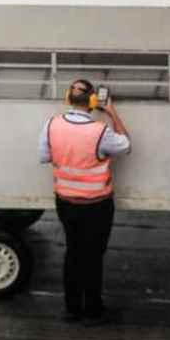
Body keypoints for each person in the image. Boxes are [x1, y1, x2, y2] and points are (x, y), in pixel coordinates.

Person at [39, 79, 131, 325]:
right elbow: (126, 145)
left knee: (73, 252)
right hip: (96, 205)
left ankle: (71, 309)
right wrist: (111, 112)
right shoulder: (100, 131)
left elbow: (44, 155)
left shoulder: (52, 125)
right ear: (92, 101)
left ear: (68, 98)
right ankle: (92, 311)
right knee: (93, 256)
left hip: (66, 201)